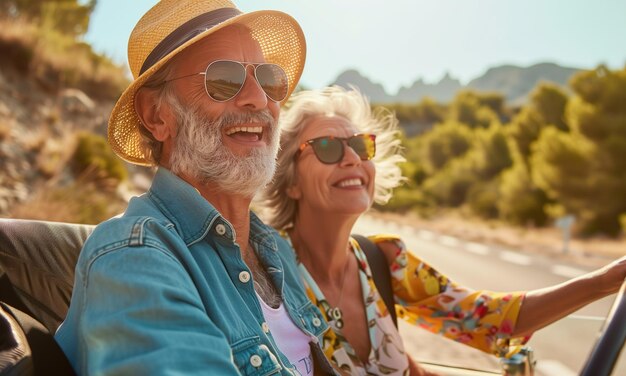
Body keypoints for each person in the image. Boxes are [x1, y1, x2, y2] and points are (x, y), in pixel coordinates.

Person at [258, 86, 626, 375]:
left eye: (359, 145)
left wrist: (606, 281)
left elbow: (490, 319)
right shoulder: (264, 275)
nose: (352, 158)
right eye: (326, 147)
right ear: (290, 180)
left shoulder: (385, 260)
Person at [54, 1, 336, 375]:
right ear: (157, 115)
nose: (258, 98)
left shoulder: (276, 250)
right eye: (224, 79)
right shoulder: (133, 258)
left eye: (269, 79)